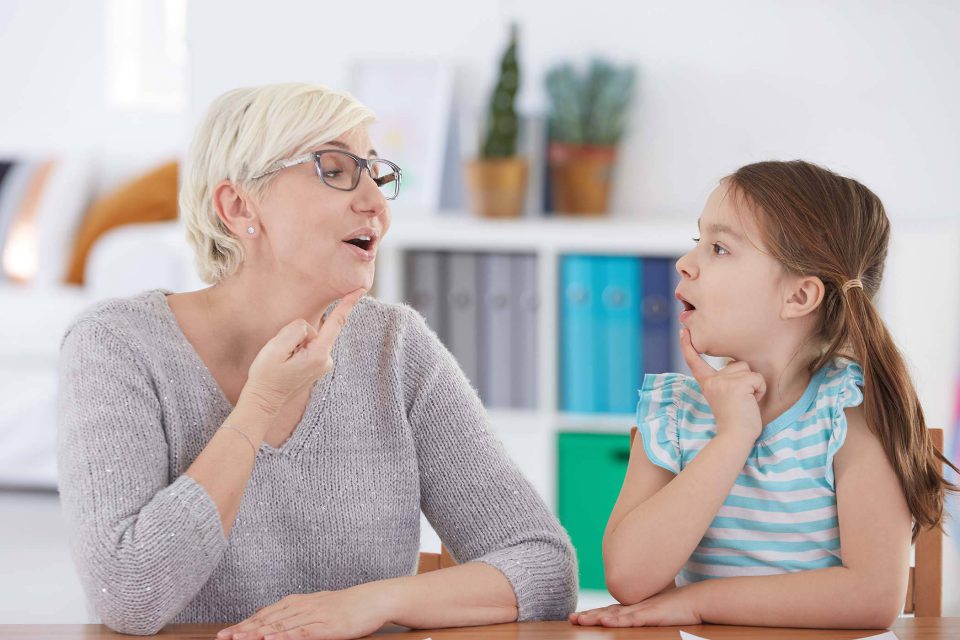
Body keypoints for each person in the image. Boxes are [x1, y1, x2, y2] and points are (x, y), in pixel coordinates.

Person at [57, 82, 577, 639]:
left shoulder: (394, 348)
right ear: (238, 206)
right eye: (334, 168)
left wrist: (370, 604)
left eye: (375, 173)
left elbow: (544, 568)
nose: (376, 202)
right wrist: (259, 406)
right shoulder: (116, 346)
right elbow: (130, 594)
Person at [572, 160, 957, 629]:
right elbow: (629, 577)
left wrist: (697, 602)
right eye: (699, 242)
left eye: (719, 248)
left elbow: (872, 595)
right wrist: (732, 438)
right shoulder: (676, 414)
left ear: (798, 297)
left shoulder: (849, 414)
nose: (684, 263)